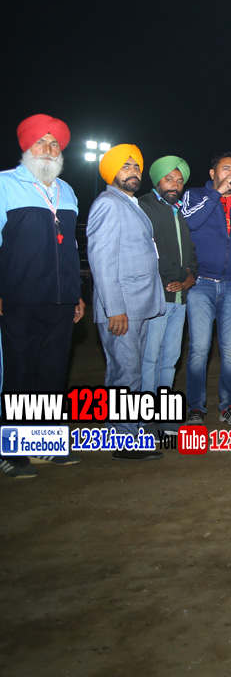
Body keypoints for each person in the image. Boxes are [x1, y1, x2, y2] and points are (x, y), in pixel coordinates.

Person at [0, 115, 85, 478]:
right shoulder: (5, 184)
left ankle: (45, 445)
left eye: (54, 144)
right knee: (19, 375)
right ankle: (13, 452)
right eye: (41, 143)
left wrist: (77, 293)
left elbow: (71, 246)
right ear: (26, 147)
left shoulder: (68, 191)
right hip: (20, 297)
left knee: (52, 375)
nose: (49, 150)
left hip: (62, 300)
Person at [87, 144, 164, 460]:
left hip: (139, 305)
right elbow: (101, 260)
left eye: (136, 167)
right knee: (125, 374)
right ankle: (124, 441)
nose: (133, 171)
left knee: (131, 373)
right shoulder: (108, 203)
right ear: (111, 172)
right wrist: (114, 308)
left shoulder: (130, 203)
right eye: (125, 166)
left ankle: (128, 430)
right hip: (122, 308)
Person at [181, 152, 231, 426]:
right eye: (226, 169)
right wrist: (216, 194)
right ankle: (196, 408)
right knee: (199, 349)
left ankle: (229, 406)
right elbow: (189, 222)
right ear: (213, 174)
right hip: (201, 285)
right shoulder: (194, 195)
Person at [138, 156, 197, 394]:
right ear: (157, 181)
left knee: (170, 359)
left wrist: (191, 276)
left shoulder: (177, 210)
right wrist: (175, 278)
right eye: (169, 179)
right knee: (149, 358)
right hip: (156, 296)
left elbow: (190, 248)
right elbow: (146, 250)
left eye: (179, 181)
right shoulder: (144, 206)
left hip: (180, 297)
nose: (175, 185)